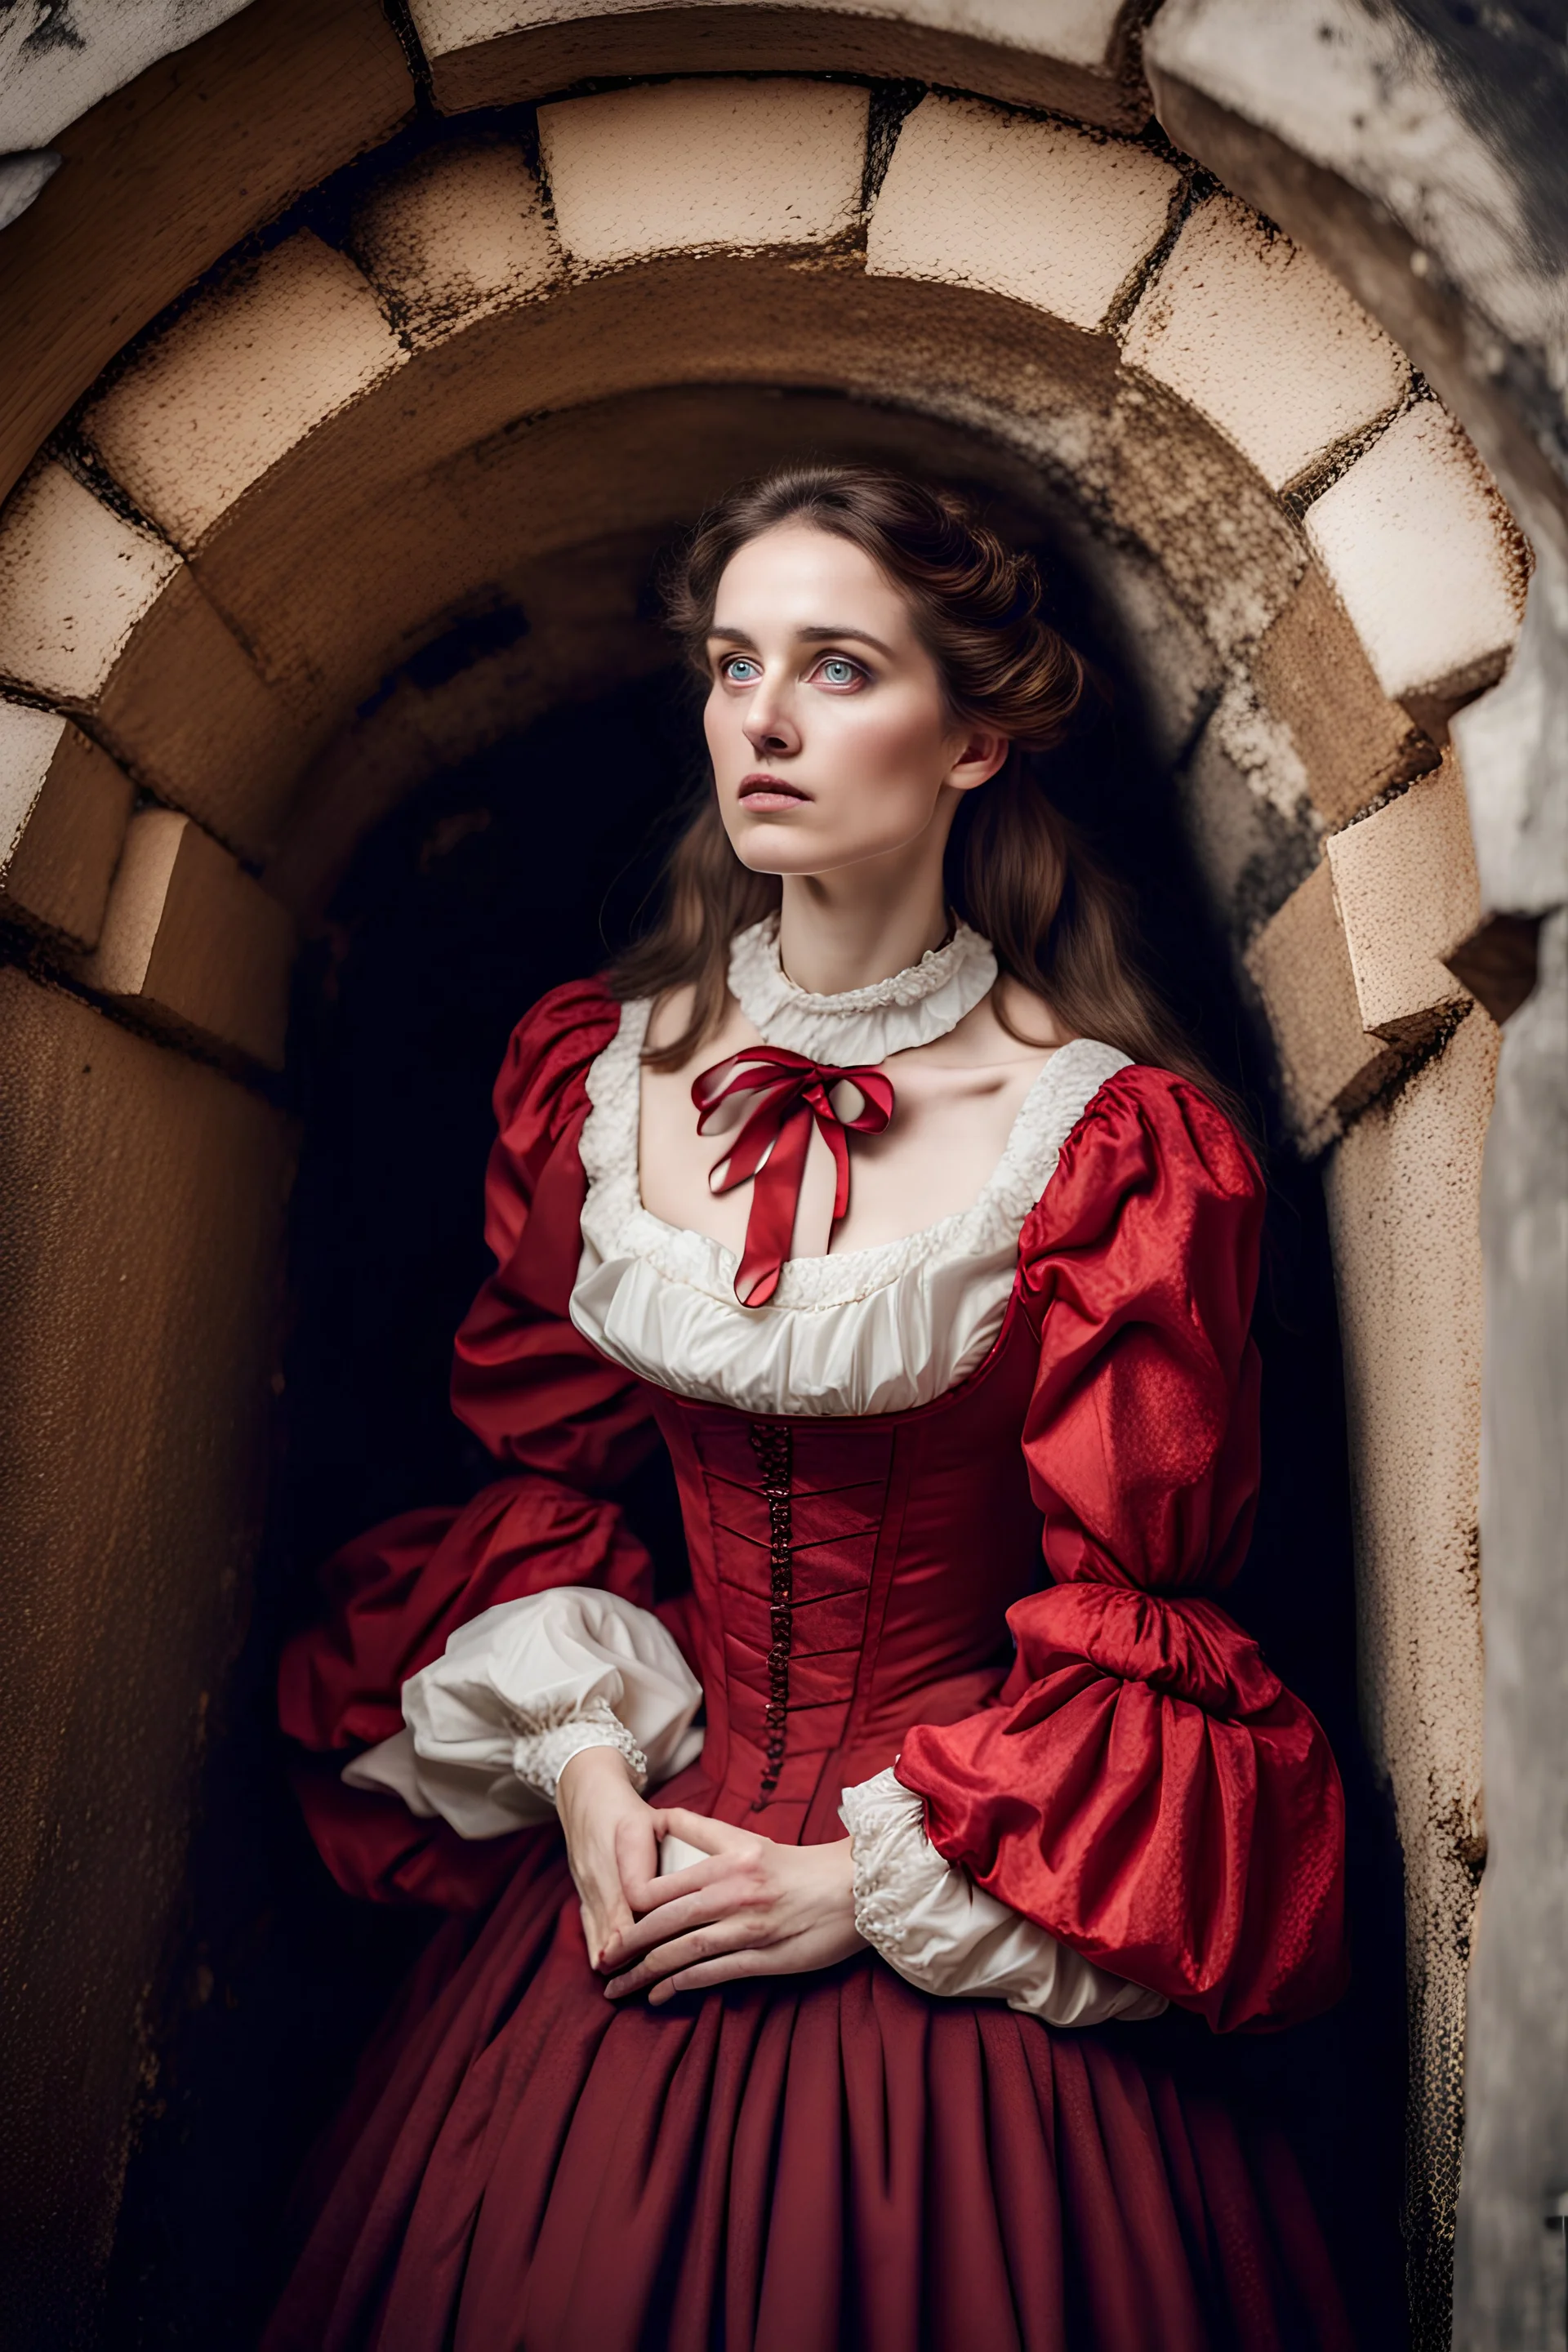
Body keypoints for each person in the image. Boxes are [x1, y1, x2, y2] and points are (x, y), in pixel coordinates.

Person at [269, 466, 1352, 2350]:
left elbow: (1140, 1636)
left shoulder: (1110, 1143)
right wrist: (589, 1771)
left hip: (949, 1882)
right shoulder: (593, 1080)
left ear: (978, 739)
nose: (758, 723)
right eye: (730, 664)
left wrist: (868, 1884)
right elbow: (543, 1483)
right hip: (643, 1878)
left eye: (836, 668)